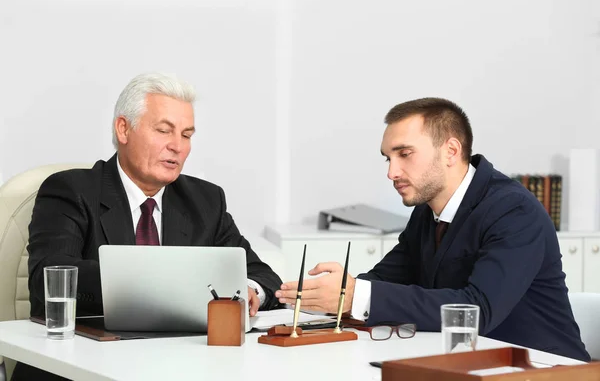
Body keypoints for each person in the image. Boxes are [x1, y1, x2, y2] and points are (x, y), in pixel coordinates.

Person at [276, 97, 590, 362]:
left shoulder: (513, 210)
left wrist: (357, 296)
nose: (391, 172)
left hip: (543, 368)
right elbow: (385, 280)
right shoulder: (427, 213)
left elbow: (478, 309)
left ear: (451, 151)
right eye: (388, 158)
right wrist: (337, 292)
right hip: (469, 363)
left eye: (404, 154)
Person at [13, 73, 282, 381]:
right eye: (164, 131)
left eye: (187, 135)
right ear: (124, 129)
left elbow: (263, 275)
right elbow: (50, 277)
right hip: (78, 365)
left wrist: (251, 291)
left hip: (176, 366)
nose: (177, 147)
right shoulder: (71, 190)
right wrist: (161, 282)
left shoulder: (205, 201)